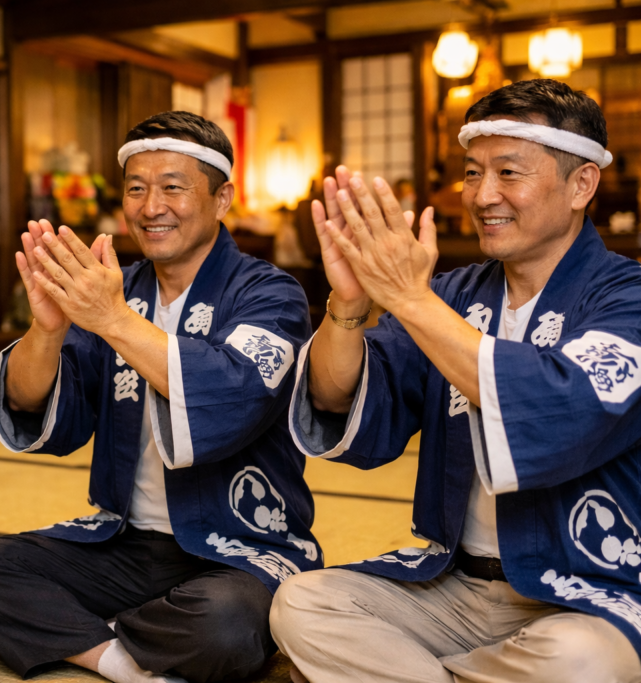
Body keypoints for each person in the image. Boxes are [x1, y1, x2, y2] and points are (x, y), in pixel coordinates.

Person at [271, 79, 641, 682]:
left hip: (583, 592)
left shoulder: (627, 297)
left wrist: (409, 299)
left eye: (508, 173)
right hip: (452, 585)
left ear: (581, 185)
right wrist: (349, 305)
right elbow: (339, 395)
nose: (483, 195)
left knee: (583, 659)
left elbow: (559, 405)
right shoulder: (453, 296)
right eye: (473, 173)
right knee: (302, 603)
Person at [0, 111, 320, 683]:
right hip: (124, 542)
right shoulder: (114, 290)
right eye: (136, 189)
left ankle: (86, 630)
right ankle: (122, 659)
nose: (151, 208)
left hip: (239, 546)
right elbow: (31, 405)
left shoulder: (269, 293)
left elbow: (231, 393)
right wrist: (47, 329)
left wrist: (113, 319)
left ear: (221, 199)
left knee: (224, 623)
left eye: (172, 187)